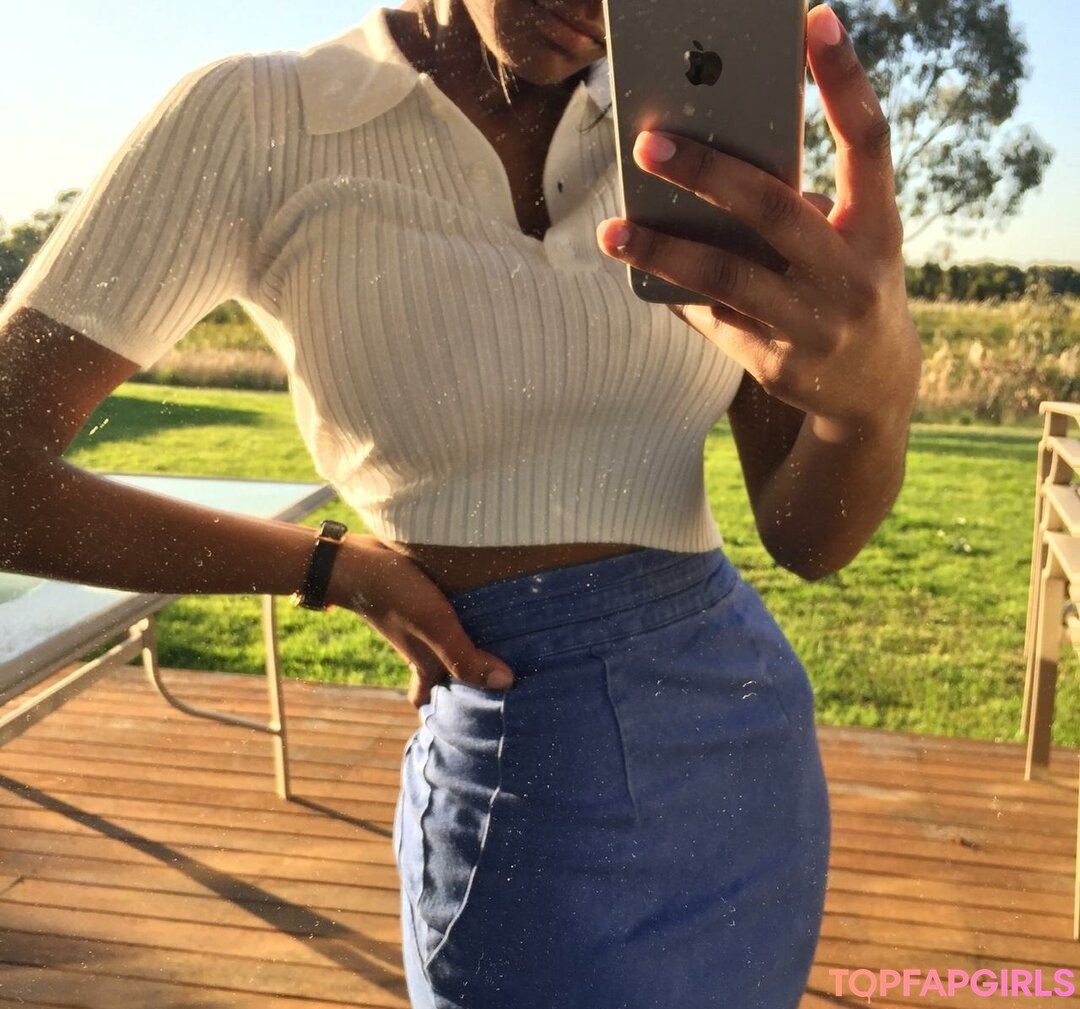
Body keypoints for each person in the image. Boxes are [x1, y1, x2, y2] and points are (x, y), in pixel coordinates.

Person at [0, 1, 921, 1006]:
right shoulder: (264, 116)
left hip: (743, 744)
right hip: (510, 762)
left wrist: (871, 405)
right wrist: (328, 566)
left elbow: (808, 538)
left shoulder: (685, 137)